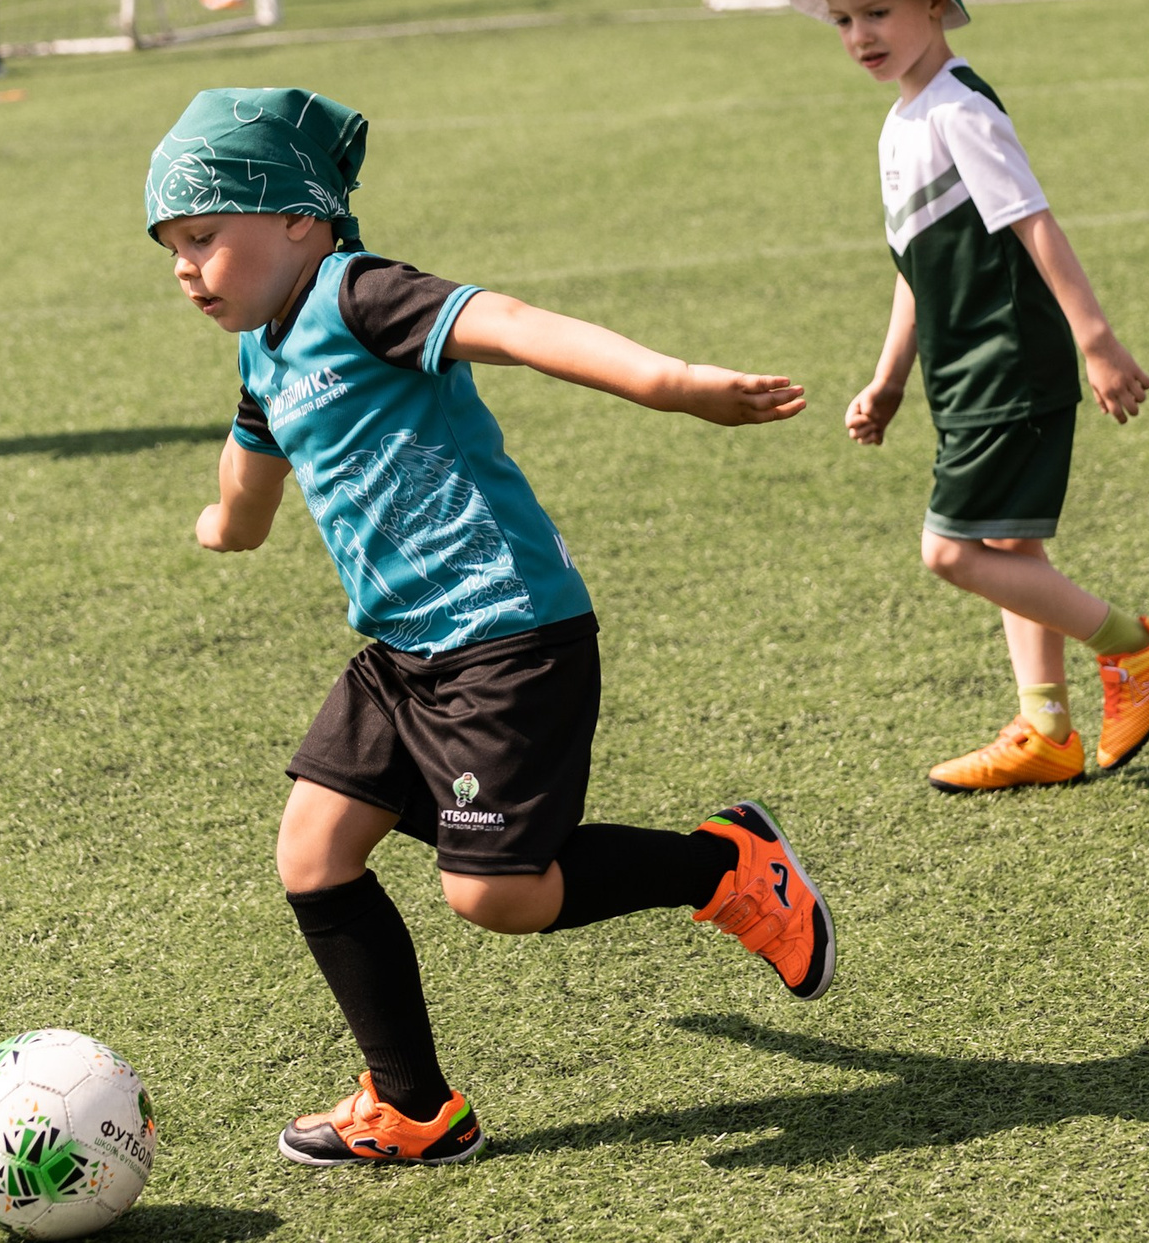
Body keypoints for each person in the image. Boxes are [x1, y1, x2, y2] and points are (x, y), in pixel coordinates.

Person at [148, 85, 833, 1165]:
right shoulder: (262, 355)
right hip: (404, 655)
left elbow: (512, 326)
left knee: (495, 896)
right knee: (313, 856)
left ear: (297, 217)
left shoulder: (360, 293)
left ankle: (724, 867)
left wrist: (675, 384)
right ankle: (413, 1105)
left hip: (507, 638)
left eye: (201, 237)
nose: (185, 267)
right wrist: (220, 529)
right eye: (170, 249)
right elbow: (249, 485)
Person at [791, 0, 1149, 791]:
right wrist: (889, 376)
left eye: (879, 11)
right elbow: (915, 263)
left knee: (952, 551)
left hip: (1010, 363)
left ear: (935, 3)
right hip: (963, 370)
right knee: (1010, 551)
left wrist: (1098, 341)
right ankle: (1047, 730)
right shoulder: (902, 120)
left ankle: (1139, 647)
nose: (860, 33)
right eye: (845, 18)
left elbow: (1034, 223)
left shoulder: (958, 108)